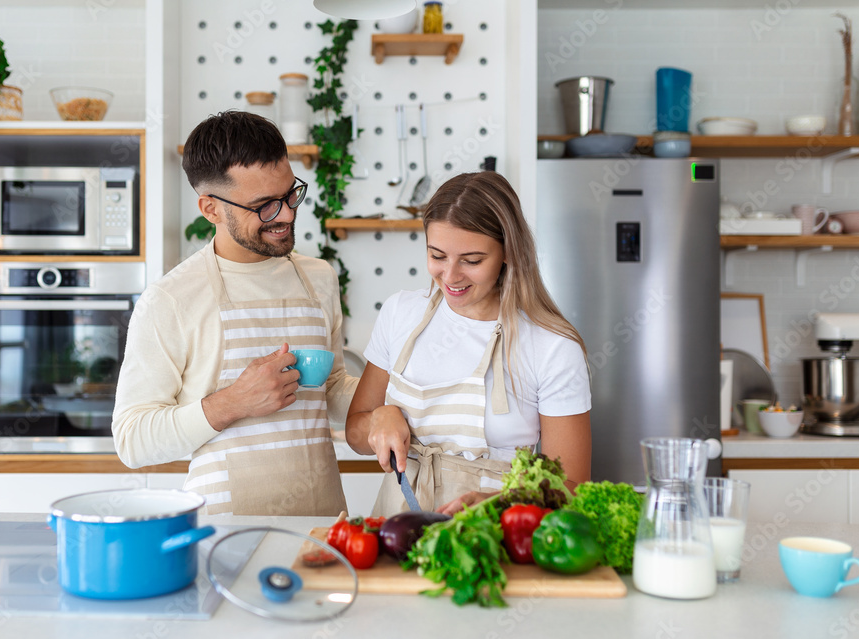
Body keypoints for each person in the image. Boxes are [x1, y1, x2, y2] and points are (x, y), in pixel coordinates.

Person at [113, 111, 357, 516]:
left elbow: (329, 390)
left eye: (290, 194)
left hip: (323, 520)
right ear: (210, 209)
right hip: (225, 532)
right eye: (263, 206)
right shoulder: (171, 300)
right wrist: (233, 403)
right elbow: (133, 440)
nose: (286, 215)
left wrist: (400, 393)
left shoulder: (319, 278)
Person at [345, 171, 591, 516]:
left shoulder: (552, 347)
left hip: (493, 537)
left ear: (508, 252)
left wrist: (497, 502)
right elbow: (355, 434)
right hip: (395, 531)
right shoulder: (400, 313)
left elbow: (571, 487)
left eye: (472, 261)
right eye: (437, 255)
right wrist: (379, 419)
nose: (451, 275)